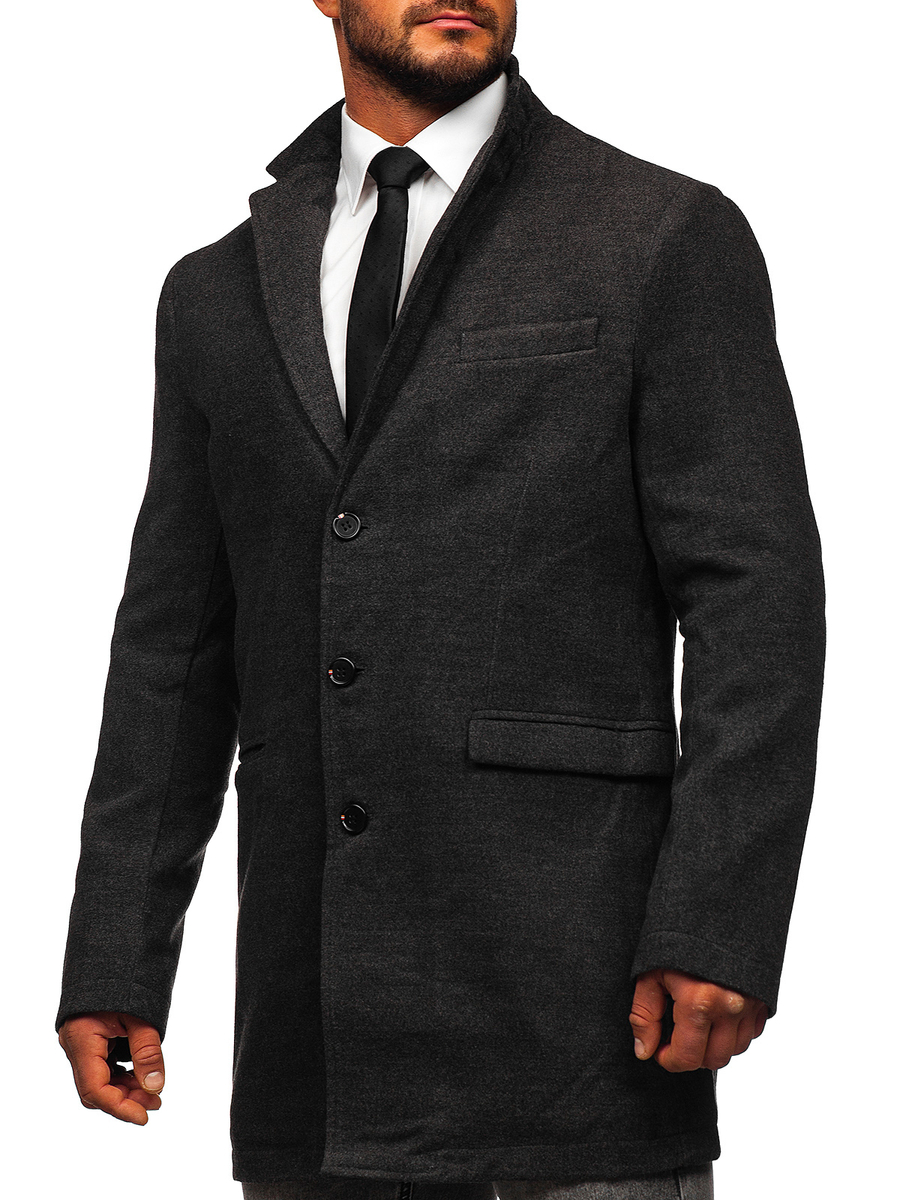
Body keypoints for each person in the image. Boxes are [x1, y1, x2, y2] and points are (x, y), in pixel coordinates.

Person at [55, 3, 826, 1198]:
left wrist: (718, 919)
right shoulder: (214, 291)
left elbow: (756, 601)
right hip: (312, 1050)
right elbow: (175, 649)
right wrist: (116, 955)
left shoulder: (662, 233)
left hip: (577, 1021)